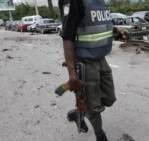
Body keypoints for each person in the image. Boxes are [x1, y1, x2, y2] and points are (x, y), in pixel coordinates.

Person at [58, 0, 127, 140]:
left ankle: (80, 112)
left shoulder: (99, 1)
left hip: (101, 58)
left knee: (109, 98)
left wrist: (116, 30)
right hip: (85, 61)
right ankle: (100, 135)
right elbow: (67, 36)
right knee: (93, 106)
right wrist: (72, 74)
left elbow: (95, 23)